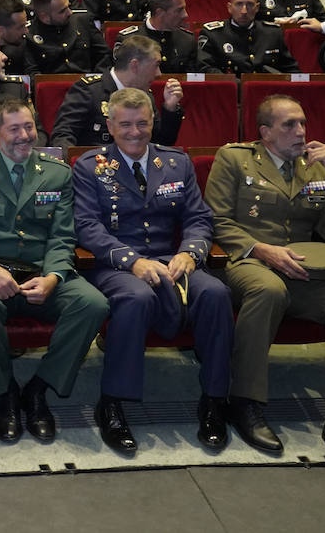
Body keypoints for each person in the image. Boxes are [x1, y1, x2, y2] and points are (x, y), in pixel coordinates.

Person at [203, 96, 325, 479]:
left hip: (303, 266)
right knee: (268, 290)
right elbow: (215, 220)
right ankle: (245, 401)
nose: (300, 132)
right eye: (289, 125)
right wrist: (261, 249)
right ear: (264, 133)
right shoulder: (234, 159)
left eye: (302, 123)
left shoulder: (315, 167)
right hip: (248, 261)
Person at [73, 89, 232, 454]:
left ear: (153, 122)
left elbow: (198, 217)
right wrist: (131, 260)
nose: (135, 132)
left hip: (170, 257)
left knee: (216, 293)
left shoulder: (176, 162)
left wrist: (191, 253)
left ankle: (214, 400)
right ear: (110, 126)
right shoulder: (90, 166)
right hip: (114, 264)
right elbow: (86, 226)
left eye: (143, 123)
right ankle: (113, 401)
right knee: (136, 297)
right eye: (125, 124)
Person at [0, 97, 108, 442]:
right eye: (14, 129)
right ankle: (5, 390)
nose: (24, 136)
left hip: (41, 271)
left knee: (92, 303)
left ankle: (39, 389)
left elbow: (63, 235)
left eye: (29, 127)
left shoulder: (56, 172)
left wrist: (52, 277)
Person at [50, 34, 183, 149]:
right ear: (135, 65)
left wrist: (170, 108)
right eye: (156, 66)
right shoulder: (88, 91)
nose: (159, 74)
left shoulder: (145, 95)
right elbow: (63, 135)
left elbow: (161, 142)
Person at [111, 0, 216, 74]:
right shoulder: (129, 39)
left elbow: (191, 79)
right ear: (160, 13)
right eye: (179, 10)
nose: (185, 15)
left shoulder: (187, 40)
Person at [198, 0, 299, 75]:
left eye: (250, 5)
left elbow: (291, 69)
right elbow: (205, 69)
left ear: (257, 7)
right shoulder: (213, 34)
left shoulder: (273, 33)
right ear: (229, 8)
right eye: (239, 4)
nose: (244, 11)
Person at [25, 0, 108, 74]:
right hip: (52, 85)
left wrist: (97, 81)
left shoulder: (83, 21)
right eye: (62, 11)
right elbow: (32, 72)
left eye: (69, 6)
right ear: (44, 17)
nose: (70, 12)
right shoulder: (29, 34)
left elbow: (104, 55)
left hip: (87, 84)